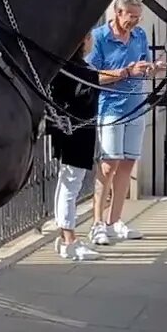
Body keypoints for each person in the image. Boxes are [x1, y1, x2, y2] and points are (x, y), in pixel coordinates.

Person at [86, 0, 167, 245]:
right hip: (110, 108)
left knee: (128, 164)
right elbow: (93, 76)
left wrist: (152, 68)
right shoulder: (100, 37)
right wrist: (125, 72)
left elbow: (142, 65)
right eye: (130, 17)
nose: (134, 22)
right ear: (117, 14)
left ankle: (115, 220)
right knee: (109, 164)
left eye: (137, 17)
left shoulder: (140, 35)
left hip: (137, 106)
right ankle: (97, 223)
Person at [48, 34, 103, 261]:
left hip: (77, 130)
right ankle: (69, 239)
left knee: (70, 182)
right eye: (89, 37)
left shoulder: (67, 68)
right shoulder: (79, 71)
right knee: (70, 183)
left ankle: (65, 237)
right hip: (75, 132)